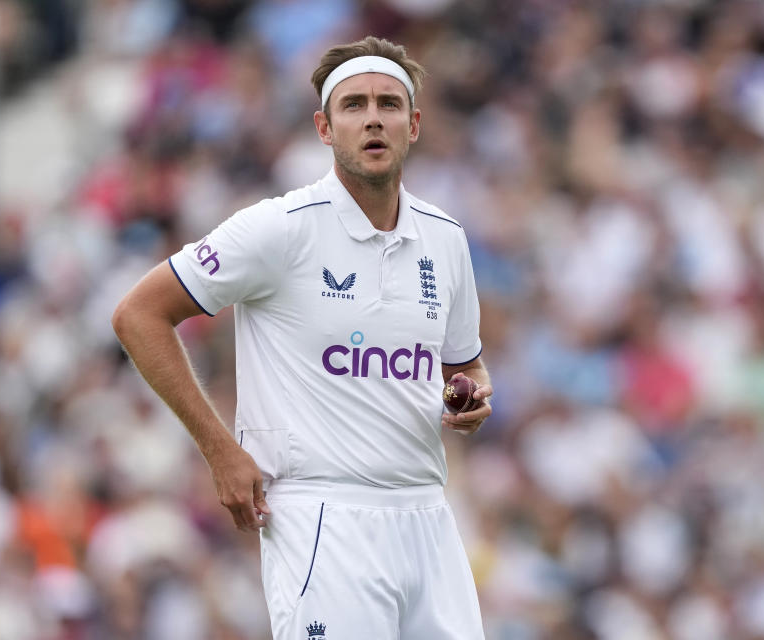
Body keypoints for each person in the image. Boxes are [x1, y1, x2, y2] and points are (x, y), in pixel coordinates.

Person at [112, 36, 492, 639]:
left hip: (427, 512)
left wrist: (469, 399)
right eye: (354, 105)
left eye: (390, 105)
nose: (373, 118)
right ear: (324, 126)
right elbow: (138, 314)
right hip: (323, 516)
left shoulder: (446, 238)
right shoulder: (278, 228)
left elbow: (463, 364)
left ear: (414, 124)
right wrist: (219, 449)